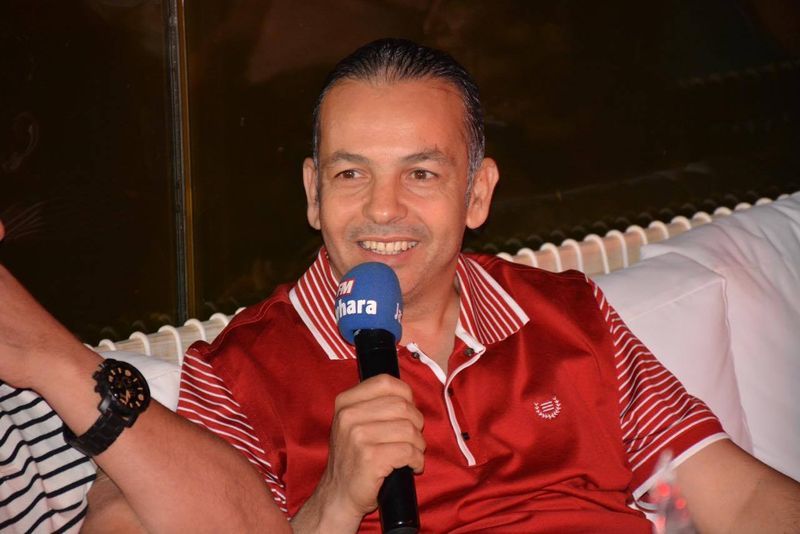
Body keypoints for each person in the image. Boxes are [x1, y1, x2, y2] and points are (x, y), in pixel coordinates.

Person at [0, 38, 798, 533]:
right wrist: (336, 500)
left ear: (477, 194)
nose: (382, 209)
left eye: (422, 173)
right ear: (313, 193)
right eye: (352, 174)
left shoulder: (571, 314)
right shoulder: (236, 374)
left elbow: (729, 498)